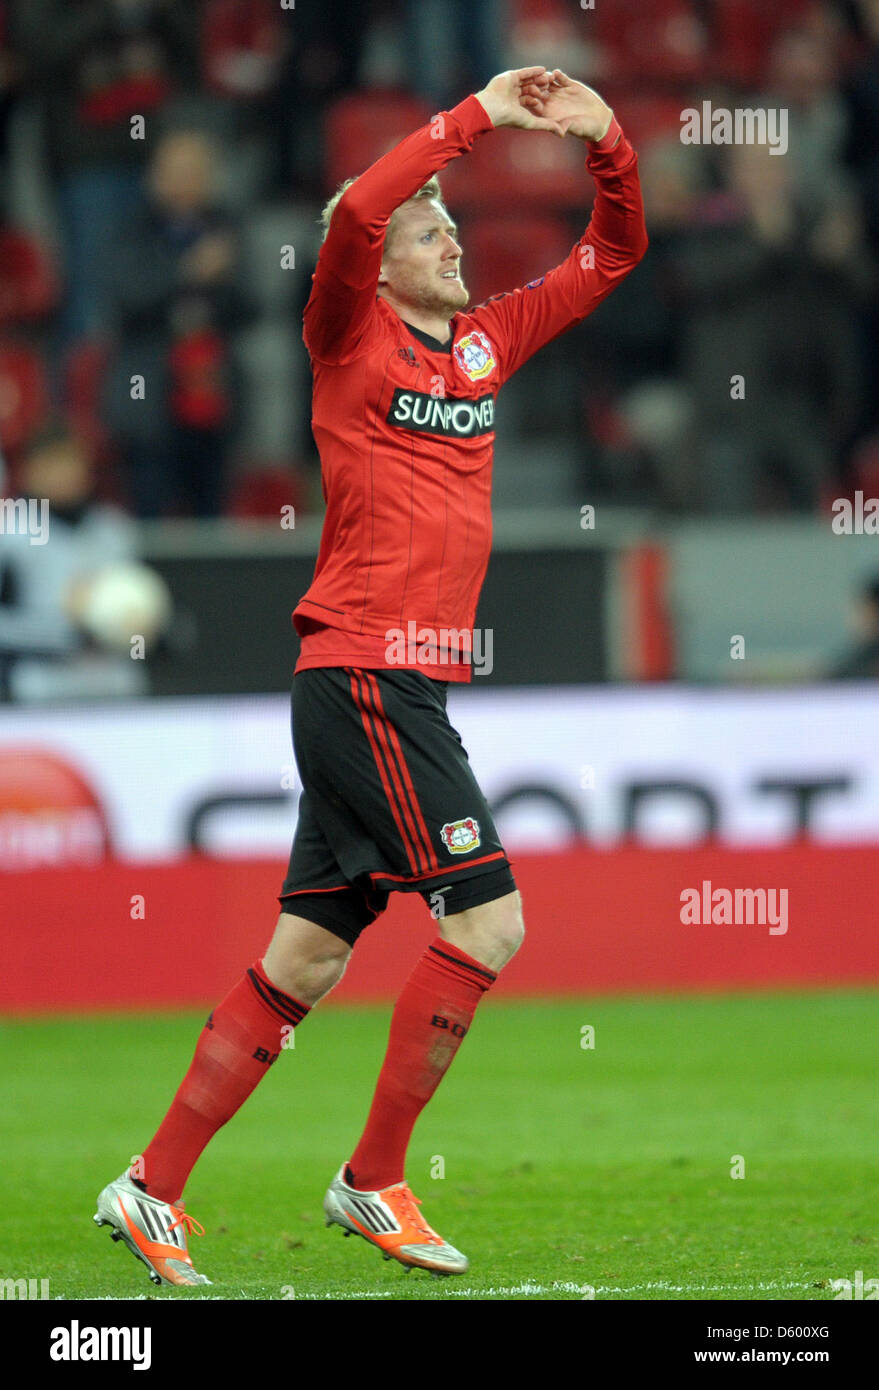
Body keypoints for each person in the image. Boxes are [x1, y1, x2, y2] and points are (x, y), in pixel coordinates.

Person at [93, 67, 648, 1286]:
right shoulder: (348, 328)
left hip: (399, 687)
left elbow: (612, 256)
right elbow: (351, 220)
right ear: (385, 259)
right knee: (490, 922)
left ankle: (150, 1186)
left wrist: (605, 138)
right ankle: (374, 1177)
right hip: (365, 675)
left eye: (454, 222)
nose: (452, 238)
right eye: (429, 227)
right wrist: (471, 119)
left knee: (305, 960)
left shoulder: (488, 343)